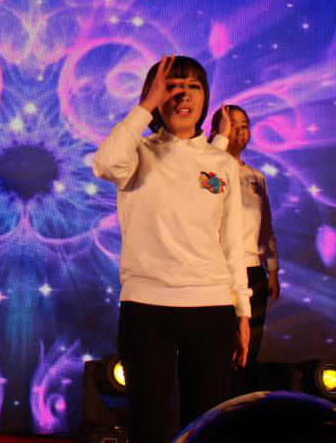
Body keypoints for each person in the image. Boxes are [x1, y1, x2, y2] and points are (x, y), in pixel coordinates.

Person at [93, 55, 252, 443]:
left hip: (211, 306)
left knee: (207, 425)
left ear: (205, 97)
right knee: (148, 423)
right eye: (172, 87)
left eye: (193, 87)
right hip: (148, 306)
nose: (184, 96)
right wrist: (145, 106)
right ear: (154, 95)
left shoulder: (221, 163)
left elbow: (232, 243)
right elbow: (105, 164)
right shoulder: (138, 153)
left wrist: (242, 311)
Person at [209, 104, 280, 392]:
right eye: (233, 124)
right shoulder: (208, 171)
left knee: (249, 352)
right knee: (219, 352)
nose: (240, 131)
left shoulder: (256, 177)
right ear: (217, 130)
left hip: (253, 272)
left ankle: (242, 407)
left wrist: (272, 269)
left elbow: (266, 225)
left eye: (245, 125)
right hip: (218, 272)